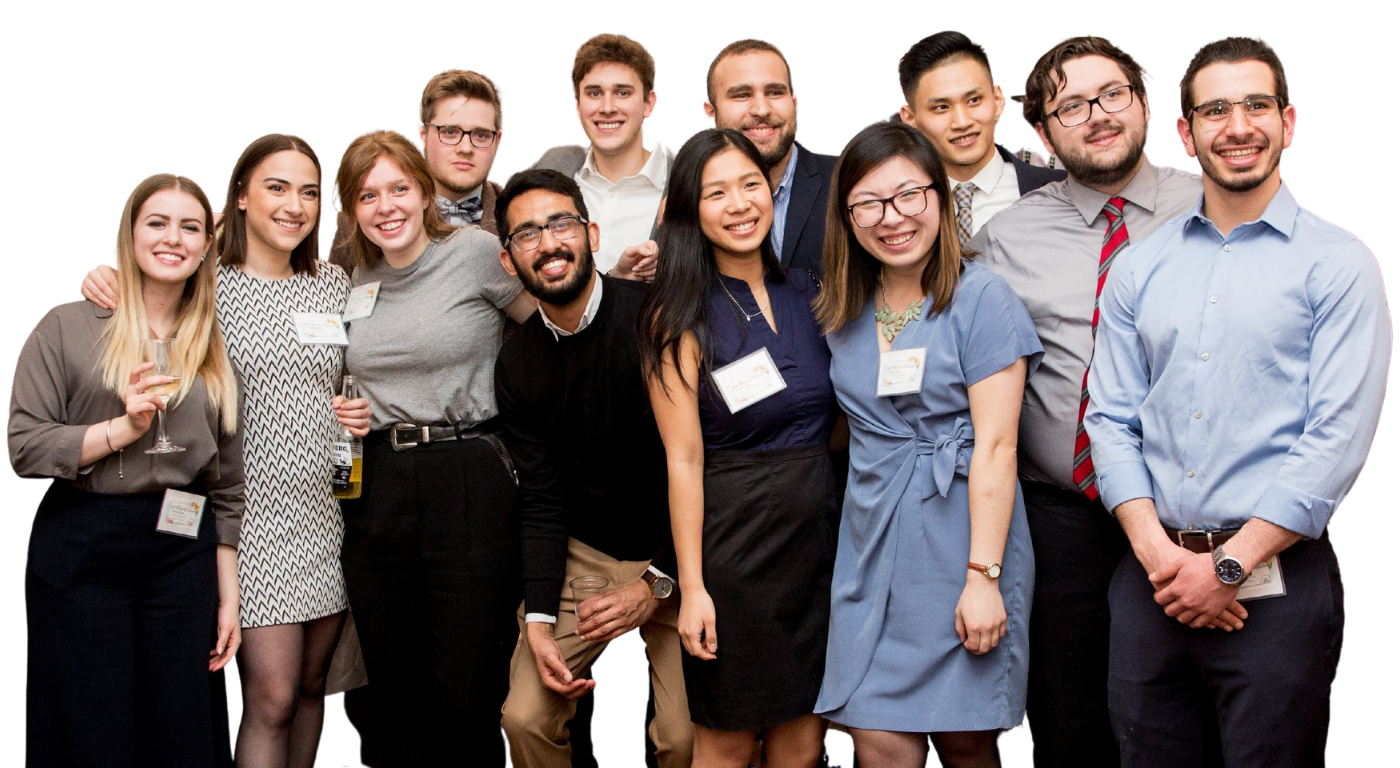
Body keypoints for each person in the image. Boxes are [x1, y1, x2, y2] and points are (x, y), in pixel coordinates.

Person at [1086, 36, 1388, 768]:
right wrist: (1162, 559)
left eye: (1256, 105)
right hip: (1152, 581)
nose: (1238, 126)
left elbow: (1338, 437)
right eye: (1215, 110)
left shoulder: (1338, 263)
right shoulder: (1138, 267)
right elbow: (1110, 419)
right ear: (1186, 132)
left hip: (1277, 586)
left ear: (1289, 122)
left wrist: (1226, 567)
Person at [77, 134, 375, 768]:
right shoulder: (205, 283)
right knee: (271, 698)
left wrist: (355, 414)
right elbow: (145, 281)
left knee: (313, 688)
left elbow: (345, 378)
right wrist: (104, 272)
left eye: (309, 192)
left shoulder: (333, 283)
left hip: (325, 513)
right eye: (276, 187)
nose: (294, 205)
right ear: (239, 196)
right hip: (247, 518)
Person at [967, 34, 1202, 768]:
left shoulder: (1212, 205)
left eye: (1111, 95)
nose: (1096, 115)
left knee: (1180, 720)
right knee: (1066, 720)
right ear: (1042, 134)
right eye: (1069, 107)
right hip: (1060, 524)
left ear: (1146, 106)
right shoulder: (1003, 239)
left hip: (1189, 514)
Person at [811, 122, 1042, 768]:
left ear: (940, 196)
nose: (892, 218)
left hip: (962, 539)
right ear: (847, 218)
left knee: (966, 743)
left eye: (909, 195)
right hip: (870, 546)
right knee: (876, 735)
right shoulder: (843, 308)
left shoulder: (983, 298)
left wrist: (983, 579)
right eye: (868, 203)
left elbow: (997, 448)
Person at [11, 172, 243, 767]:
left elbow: (226, 486)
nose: (173, 238)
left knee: (182, 726)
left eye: (190, 227)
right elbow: (24, 446)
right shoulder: (66, 326)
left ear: (206, 245)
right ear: (128, 236)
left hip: (182, 548)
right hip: (85, 545)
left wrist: (228, 599)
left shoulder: (211, 344)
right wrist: (123, 430)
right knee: (93, 727)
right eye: (157, 223)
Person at [331, 127, 536, 765]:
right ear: (351, 209)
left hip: (468, 468)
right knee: (393, 678)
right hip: (377, 481)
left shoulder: (474, 252)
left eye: (399, 189)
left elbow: (550, 327)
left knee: (469, 679)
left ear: (425, 192)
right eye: (367, 196)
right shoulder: (348, 276)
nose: (385, 207)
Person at [642, 127, 836, 768]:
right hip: (734, 556)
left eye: (751, 184)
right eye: (715, 192)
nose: (739, 203)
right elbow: (683, 460)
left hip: (817, 548)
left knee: (802, 739)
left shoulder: (811, 290)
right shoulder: (677, 314)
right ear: (689, 210)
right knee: (726, 743)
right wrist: (692, 588)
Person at [492, 168, 692, 768]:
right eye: (527, 234)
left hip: (677, 546)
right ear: (509, 262)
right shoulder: (516, 363)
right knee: (524, 718)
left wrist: (656, 583)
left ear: (592, 234)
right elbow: (542, 498)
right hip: (586, 555)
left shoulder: (654, 320)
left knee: (684, 740)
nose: (548, 243)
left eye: (561, 224)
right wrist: (539, 620)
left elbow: (702, 464)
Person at [896, 31, 1065, 245]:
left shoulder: (1061, 189)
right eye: (942, 107)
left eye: (974, 100)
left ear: (998, 99)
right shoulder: (896, 207)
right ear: (910, 119)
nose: (962, 122)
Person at [530, 32, 673, 281]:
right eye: (594, 93)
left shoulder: (685, 181)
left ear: (649, 104)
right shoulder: (553, 166)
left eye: (623, 93)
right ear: (577, 105)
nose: (607, 108)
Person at [703, 38, 837, 273]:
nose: (761, 109)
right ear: (710, 110)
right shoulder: (689, 195)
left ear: (794, 103)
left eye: (774, 92)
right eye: (742, 95)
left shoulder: (844, 180)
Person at [414, 68, 507, 233]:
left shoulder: (520, 217)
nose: (465, 148)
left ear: (498, 140)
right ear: (423, 134)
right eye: (450, 132)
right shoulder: (380, 212)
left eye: (480, 135)